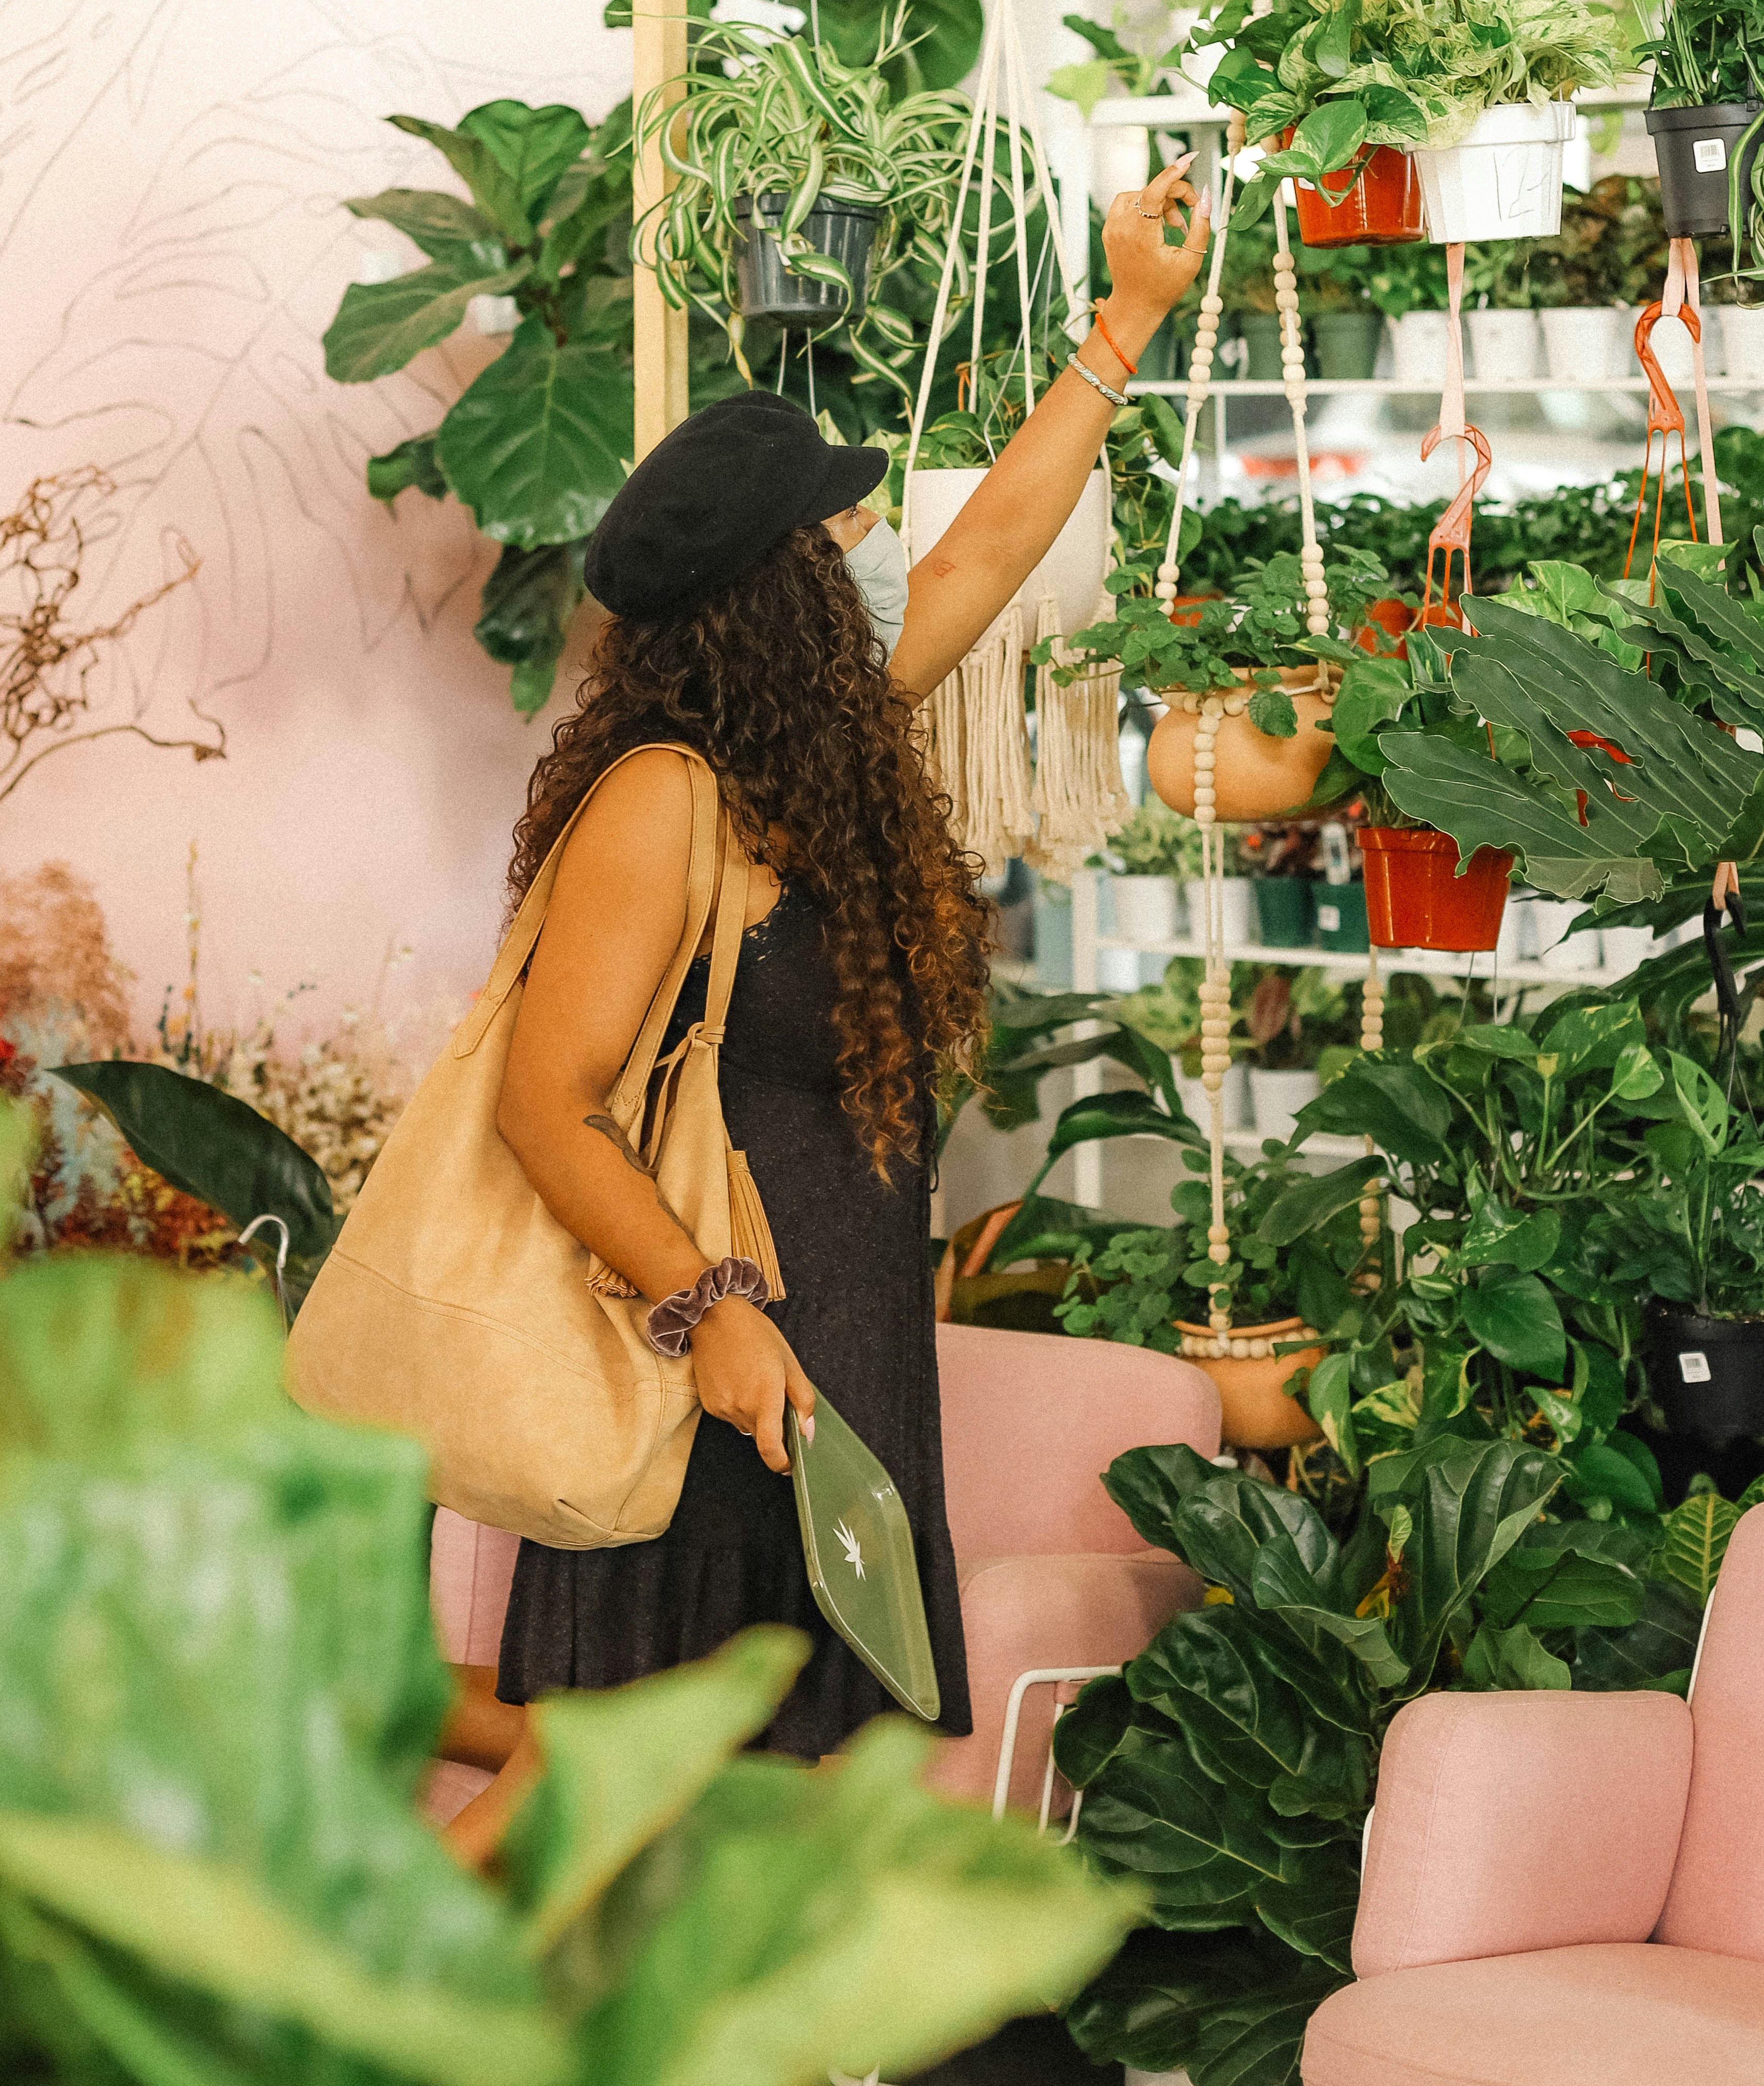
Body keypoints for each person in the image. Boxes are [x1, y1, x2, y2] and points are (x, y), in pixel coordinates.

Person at [438, 160, 1211, 1858]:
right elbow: (546, 1101)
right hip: (724, 1356)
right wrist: (708, 1308)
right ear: (781, 586)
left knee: (736, 1804)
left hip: (822, 1357)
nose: (877, 543)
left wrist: (1126, 322)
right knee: (622, 1778)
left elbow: (991, 553)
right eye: (846, 527)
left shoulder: (807, 756)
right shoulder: (664, 795)